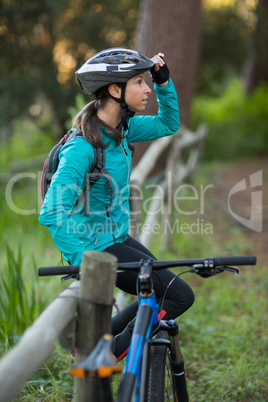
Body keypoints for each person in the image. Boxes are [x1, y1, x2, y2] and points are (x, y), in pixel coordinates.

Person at [39, 48, 194, 359]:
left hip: (117, 237)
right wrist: (83, 259)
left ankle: (98, 334)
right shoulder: (82, 148)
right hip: (96, 246)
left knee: (159, 293)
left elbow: (168, 124)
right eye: (140, 81)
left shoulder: (123, 129)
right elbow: (52, 212)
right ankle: (108, 352)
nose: (147, 88)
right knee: (179, 295)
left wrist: (164, 82)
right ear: (115, 89)